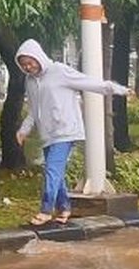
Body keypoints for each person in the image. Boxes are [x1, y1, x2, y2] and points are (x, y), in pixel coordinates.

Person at [14, 39, 130, 226]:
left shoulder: (59, 71)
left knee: (52, 170)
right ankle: (65, 207)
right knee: (55, 173)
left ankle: (45, 210)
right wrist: (23, 130)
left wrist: (117, 89)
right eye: (23, 64)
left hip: (66, 130)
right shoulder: (30, 81)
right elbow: (34, 110)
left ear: (39, 57)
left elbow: (89, 83)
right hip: (47, 135)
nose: (28, 67)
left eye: (30, 62)